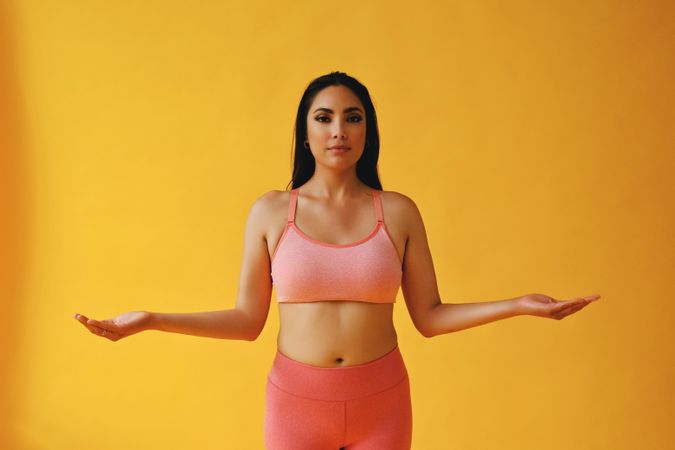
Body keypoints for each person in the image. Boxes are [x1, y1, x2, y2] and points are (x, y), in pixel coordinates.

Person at [73, 71, 601, 450]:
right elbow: (246, 321)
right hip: (297, 406)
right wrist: (151, 320)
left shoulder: (398, 212)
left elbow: (430, 317)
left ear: (367, 131)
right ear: (305, 132)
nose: (338, 131)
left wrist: (519, 305)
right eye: (323, 118)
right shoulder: (270, 212)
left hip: (382, 402)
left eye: (353, 118)